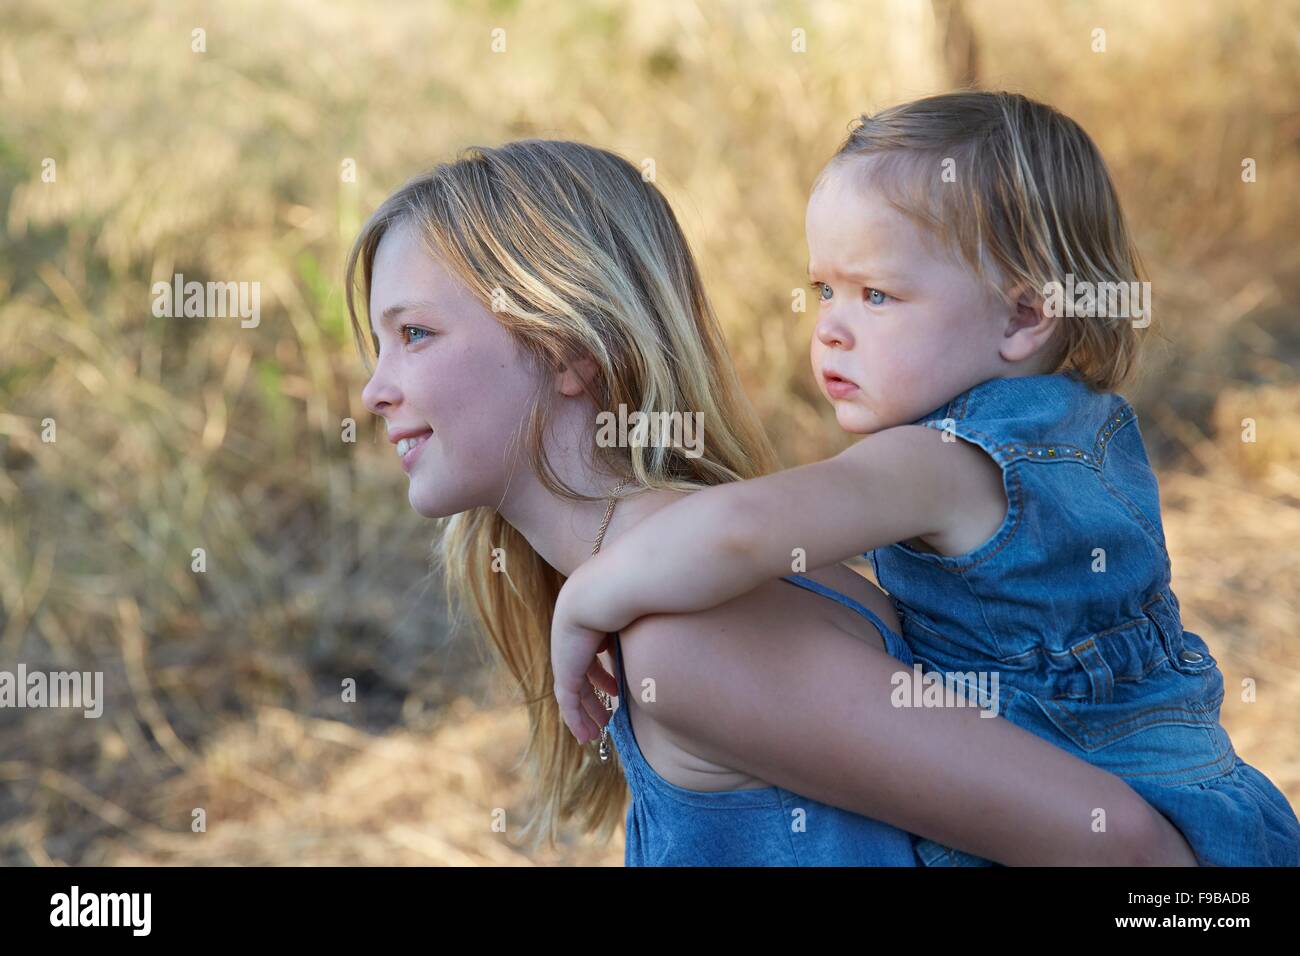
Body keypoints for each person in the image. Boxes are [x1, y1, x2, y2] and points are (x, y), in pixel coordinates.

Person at [349, 138, 1196, 865]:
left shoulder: (690, 637)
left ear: (571, 351)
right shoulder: (678, 595)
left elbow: (1122, 845)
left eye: (415, 334)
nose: (373, 391)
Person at [550, 93, 1300, 866]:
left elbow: (743, 530)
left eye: (877, 295)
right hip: (1215, 808)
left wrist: (587, 599)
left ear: (1022, 317)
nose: (831, 329)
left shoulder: (937, 459)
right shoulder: (1091, 421)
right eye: (824, 291)